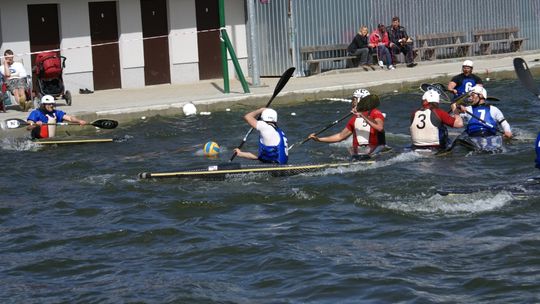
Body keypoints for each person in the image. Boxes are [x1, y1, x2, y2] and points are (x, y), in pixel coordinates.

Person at [308, 89, 386, 159]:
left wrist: (362, 114)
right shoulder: (353, 119)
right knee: (351, 150)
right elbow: (340, 136)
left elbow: (379, 127)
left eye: (354, 100)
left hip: (374, 151)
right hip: (360, 152)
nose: (352, 102)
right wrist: (319, 139)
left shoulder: (376, 113)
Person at [456, 86, 512, 151]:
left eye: (472, 95)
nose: (470, 98)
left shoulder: (493, 109)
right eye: (470, 96)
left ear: (481, 96)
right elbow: (453, 119)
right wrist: (457, 109)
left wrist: (507, 131)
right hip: (472, 136)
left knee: (491, 150)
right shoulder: (468, 109)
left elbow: (504, 123)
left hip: (490, 135)